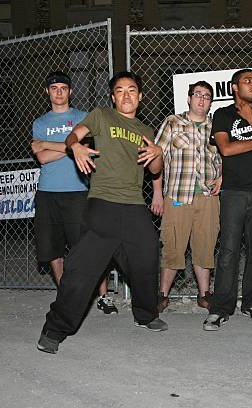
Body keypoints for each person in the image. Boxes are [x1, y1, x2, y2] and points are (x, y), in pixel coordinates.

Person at [37, 71, 166, 354]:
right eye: (120, 90)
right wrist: (75, 148)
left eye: (132, 90)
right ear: (113, 97)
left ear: (140, 96)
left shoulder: (145, 130)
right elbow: (75, 134)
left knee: (146, 260)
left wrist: (157, 154)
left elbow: (154, 170)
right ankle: (54, 329)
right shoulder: (102, 116)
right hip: (102, 204)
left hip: (134, 206)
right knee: (81, 269)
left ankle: (146, 314)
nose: (126, 95)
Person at [31, 71, 117, 315]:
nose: (58, 91)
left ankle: (103, 296)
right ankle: (65, 296)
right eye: (54, 87)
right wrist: (71, 147)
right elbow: (42, 158)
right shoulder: (40, 122)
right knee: (53, 250)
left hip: (78, 191)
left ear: (70, 91)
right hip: (48, 193)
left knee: (89, 247)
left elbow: (87, 149)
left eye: (63, 88)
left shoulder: (83, 117)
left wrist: (49, 144)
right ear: (47, 91)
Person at [203, 69, 252, 331]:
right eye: (248, 81)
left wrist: (251, 118)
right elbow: (226, 148)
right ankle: (220, 308)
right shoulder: (223, 115)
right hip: (234, 191)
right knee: (228, 250)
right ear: (235, 87)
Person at [151, 81, 222, 312]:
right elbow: (155, 158)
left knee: (205, 246)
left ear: (211, 102)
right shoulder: (173, 122)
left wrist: (223, 178)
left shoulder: (216, 127)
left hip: (208, 198)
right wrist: (158, 194)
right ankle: (162, 294)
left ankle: (204, 294)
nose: (202, 99)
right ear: (189, 98)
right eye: (198, 94)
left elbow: (223, 160)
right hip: (177, 196)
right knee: (173, 246)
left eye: (207, 96)